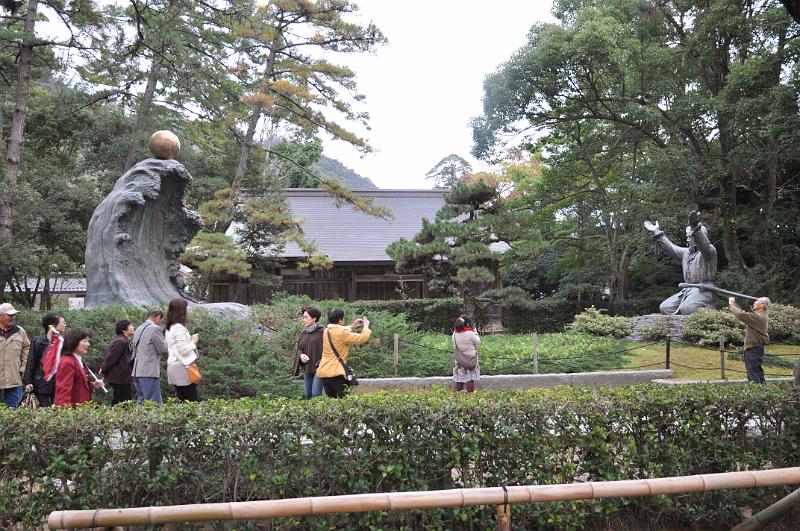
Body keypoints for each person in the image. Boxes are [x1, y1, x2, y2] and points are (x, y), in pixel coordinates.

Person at [644, 210, 718, 315]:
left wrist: (696, 228)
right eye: (687, 236)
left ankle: (711, 315)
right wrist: (657, 232)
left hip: (704, 290)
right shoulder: (686, 253)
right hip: (687, 290)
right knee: (665, 307)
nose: (687, 240)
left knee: (688, 308)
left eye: (690, 236)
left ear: (698, 236)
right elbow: (671, 248)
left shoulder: (709, 252)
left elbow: (704, 244)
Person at [316, 308, 371, 398]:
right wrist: (366, 327)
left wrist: (352, 326)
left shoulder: (326, 331)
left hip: (325, 371)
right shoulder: (342, 333)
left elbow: (339, 331)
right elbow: (362, 338)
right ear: (341, 320)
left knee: (331, 401)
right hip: (337, 372)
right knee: (345, 399)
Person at [54, 328, 105, 407]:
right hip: (73, 412)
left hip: (82, 408)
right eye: (84, 341)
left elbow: (77, 384)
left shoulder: (78, 360)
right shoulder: (67, 362)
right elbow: (63, 390)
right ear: (74, 341)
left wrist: (92, 385)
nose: (88, 344)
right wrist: (64, 413)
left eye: (88, 341)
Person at [22, 313, 65, 407]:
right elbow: (31, 361)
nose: (65, 324)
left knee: (60, 411)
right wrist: (28, 381)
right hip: (41, 383)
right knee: (43, 411)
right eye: (62, 322)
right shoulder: (38, 341)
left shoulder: (63, 342)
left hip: (59, 383)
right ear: (53, 326)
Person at [729, 296, 770, 384]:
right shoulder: (759, 316)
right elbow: (743, 314)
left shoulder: (759, 317)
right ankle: (764, 392)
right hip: (755, 348)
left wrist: (731, 305)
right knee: (757, 372)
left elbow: (741, 315)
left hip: (753, 348)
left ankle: (756, 393)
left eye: (757, 301)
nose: (754, 302)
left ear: (762, 305)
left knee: (753, 373)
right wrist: (735, 304)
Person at [165, 298, 200, 401]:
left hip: (174, 365)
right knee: (191, 400)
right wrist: (193, 341)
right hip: (181, 366)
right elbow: (183, 350)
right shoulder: (178, 328)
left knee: (182, 400)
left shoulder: (170, 327)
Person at [131, 309, 168, 404]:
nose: (160, 323)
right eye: (161, 320)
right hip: (149, 372)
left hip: (136, 371)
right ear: (158, 316)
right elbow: (163, 349)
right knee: (154, 404)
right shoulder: (155, 328)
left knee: (141, 401)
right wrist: (168, 340)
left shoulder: (138, 328)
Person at [0, 303, 30, 408]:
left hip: (14, 377)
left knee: (15, 411)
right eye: (10, 315)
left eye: (14, 315)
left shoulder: (19, 331)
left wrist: (24, 367)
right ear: (1, 316)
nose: (13, 318)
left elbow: (27, 348)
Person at [291, 306, 324, 399]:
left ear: (314, 318)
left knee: (316, 394)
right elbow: (299, 348)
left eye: (306, 317)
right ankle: (311, 413)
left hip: (320, 368)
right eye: (303, 317)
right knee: (308, 395)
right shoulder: (303, 333)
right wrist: (301, 355)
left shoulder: (323, 332)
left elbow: (330, 349)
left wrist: (321, 361)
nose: (303, 319)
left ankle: (320, 413)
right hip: (308, 368)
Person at [100, 320, 135, 404]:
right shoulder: (121, 341)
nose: (133, 327)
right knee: (123, 402)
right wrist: (103, 368)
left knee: (119, 401)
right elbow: (111, 357)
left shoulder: (123, 340)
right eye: (131, 326)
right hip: (119, 378)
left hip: (121, 377)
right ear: (124, 330)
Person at [452, 315, 481, 393]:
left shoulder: (454, 334)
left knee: (459, 377)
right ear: (467, 324)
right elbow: (478, 342)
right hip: (471, 358)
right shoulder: (470, 333)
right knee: (470, 378)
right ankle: (470, 396)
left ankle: (459, 395)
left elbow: (455, 346)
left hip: (459, 359)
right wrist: (475, 332)